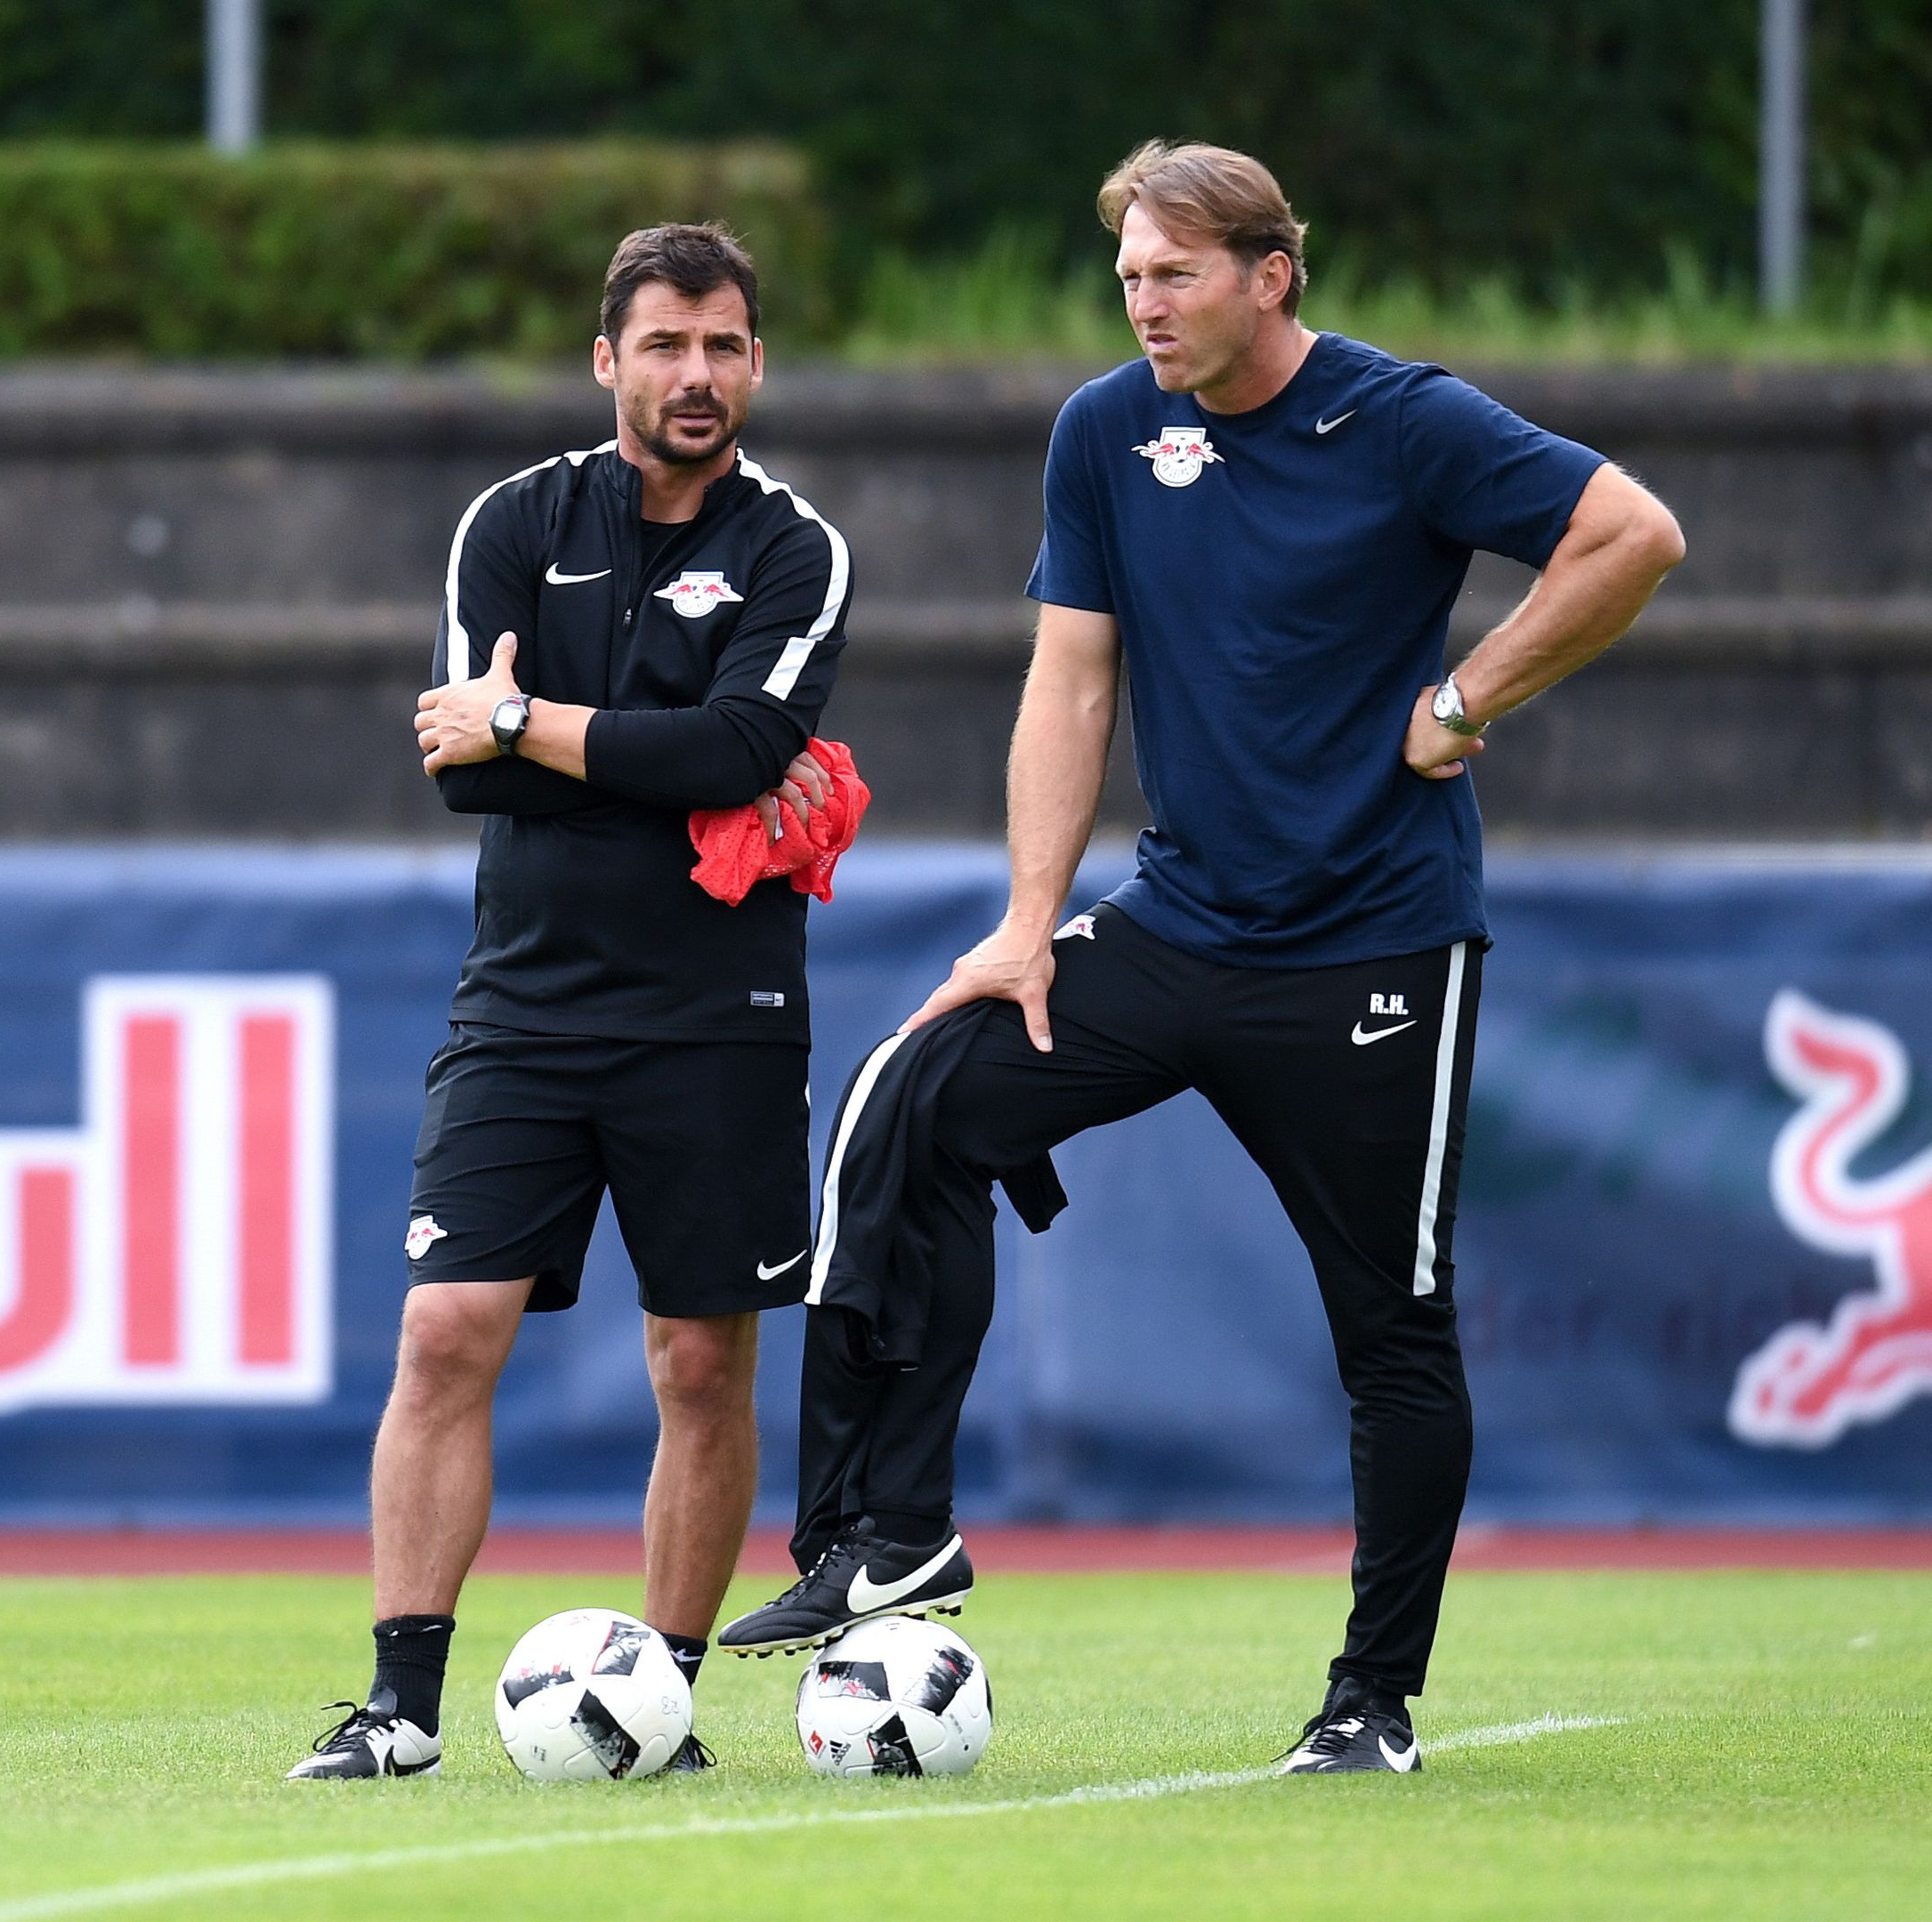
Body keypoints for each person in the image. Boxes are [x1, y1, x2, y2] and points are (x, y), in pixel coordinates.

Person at [719, 143, 1686, 1775]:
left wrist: (1466, 702)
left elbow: (1633, 535)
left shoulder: (1405, 420)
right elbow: (1070, 687)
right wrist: (1026, 927)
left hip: (1376, 950)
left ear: (1269, 276)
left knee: (1393, 1331)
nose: (1144, 306)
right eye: (1129, 281)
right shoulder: (1107, 429)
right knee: (917, 1095)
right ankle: (892, 1531)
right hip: (1179, 929)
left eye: (1174, 276)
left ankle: (1371, 1702)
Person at [290, 223, 849, 1781]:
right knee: (446, 1332)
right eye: (664, 344)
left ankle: (658, 1706)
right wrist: (633, 755)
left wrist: (532, 719)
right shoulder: (515, 520)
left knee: (699, 1363)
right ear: (608, 359)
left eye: (723, 344)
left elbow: (737, 754)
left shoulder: (797, 547)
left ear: (756, 363)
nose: (695, 373)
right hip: (526, 1007)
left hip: (720, 1014)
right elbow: (462, 778)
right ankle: (400, 1705)